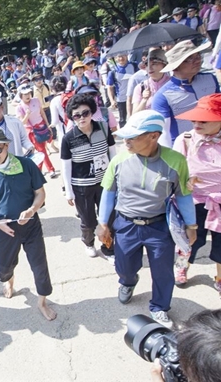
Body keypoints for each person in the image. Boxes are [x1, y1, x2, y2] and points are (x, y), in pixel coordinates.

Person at [97, 110, 197, 328]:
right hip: (125, 224)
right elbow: (108, 192)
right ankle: (128, 282)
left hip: (159, 225)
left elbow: (183, 195)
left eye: (133, 137)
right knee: (124, 266)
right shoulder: (119, 160)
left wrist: (191, 225)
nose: (126, 141)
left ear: (153, 136)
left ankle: (160, 307)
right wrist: (102, 223)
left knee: (162, 271)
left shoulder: (175, 161)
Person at [0, 129, 57, 320]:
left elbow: (40, 192)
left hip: (31, 226)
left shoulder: (26, 164)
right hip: (4, 230)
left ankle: (42, 302)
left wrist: (31, 210)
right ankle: (9, 280)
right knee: (4, 267)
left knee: (39, 266)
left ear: (6, 145)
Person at [172, 94, 221, 290]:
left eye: (204, 119)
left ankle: (220, 278)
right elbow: (173, 172)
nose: (196, 123)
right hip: (194, 203)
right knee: (191, 240)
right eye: (195, 119)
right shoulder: (185, 140)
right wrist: (185, 181)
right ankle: (182, 267)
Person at [61, 94, 117, 259]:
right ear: (72, 117)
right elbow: (66, 166)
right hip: (82, 186)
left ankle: (108, 247)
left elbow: (113, 153)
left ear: (92, 112)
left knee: (108, 217)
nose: (81, 118)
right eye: (76, 115)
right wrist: (68, 191)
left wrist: (116, 177)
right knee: (88, 221)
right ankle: (89, 242)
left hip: (105, 182)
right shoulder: (68, 138)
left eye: (85, 113)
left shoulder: (103, 127)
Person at [152, 40, 218, 147]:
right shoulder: (163, 96)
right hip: (185, 149)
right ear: (176, 66)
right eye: (190, 59)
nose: (197, 61)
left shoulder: (210, 79)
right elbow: (163, 133)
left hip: (216, 144)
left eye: (198, 56)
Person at [16, 84, 59, 177]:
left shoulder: (35, 100)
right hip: (32, 131)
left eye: (28, 93)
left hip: (42, 127)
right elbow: (22, 122)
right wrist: (27, 114)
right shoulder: (19, 107)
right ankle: (51, 169)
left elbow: (42, 113)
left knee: (41, 150)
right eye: (25, 94)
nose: (27, 95)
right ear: (20, 95)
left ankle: (37, 171)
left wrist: (48, 126)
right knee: (42, 150)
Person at [131, 49, 170, 113]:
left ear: (164, 65)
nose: (149, 68)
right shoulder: (141, 87)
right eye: (147, 64)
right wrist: (144, 100)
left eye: (154, 63)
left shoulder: (173, 84)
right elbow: (135, 115)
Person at [107, 54, 136, 128]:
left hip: (134, 97)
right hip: (121, 99)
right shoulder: (113, 72)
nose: (121, 58)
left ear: (126, 56)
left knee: (135, 116)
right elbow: (109, 87)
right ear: (115, 58)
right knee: (123, 119)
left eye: (123, 55)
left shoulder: (134, 66)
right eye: (118, 56)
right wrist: (112, 100)